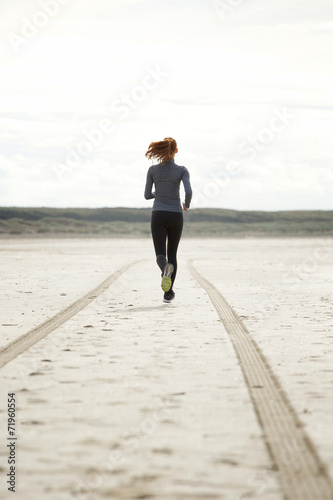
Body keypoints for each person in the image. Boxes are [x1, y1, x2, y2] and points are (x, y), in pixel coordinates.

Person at [144, 137, 192, 303]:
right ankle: (168, 293)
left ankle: (164, 269)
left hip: (158, 213)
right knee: (172, 254)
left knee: (160, 253)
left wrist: (158, 194)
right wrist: (186, 204)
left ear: (160, 151)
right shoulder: (182, 170)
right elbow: (189, 191)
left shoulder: (152, 170)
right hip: (176, 215)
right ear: (176, 151)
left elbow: (146, 195)